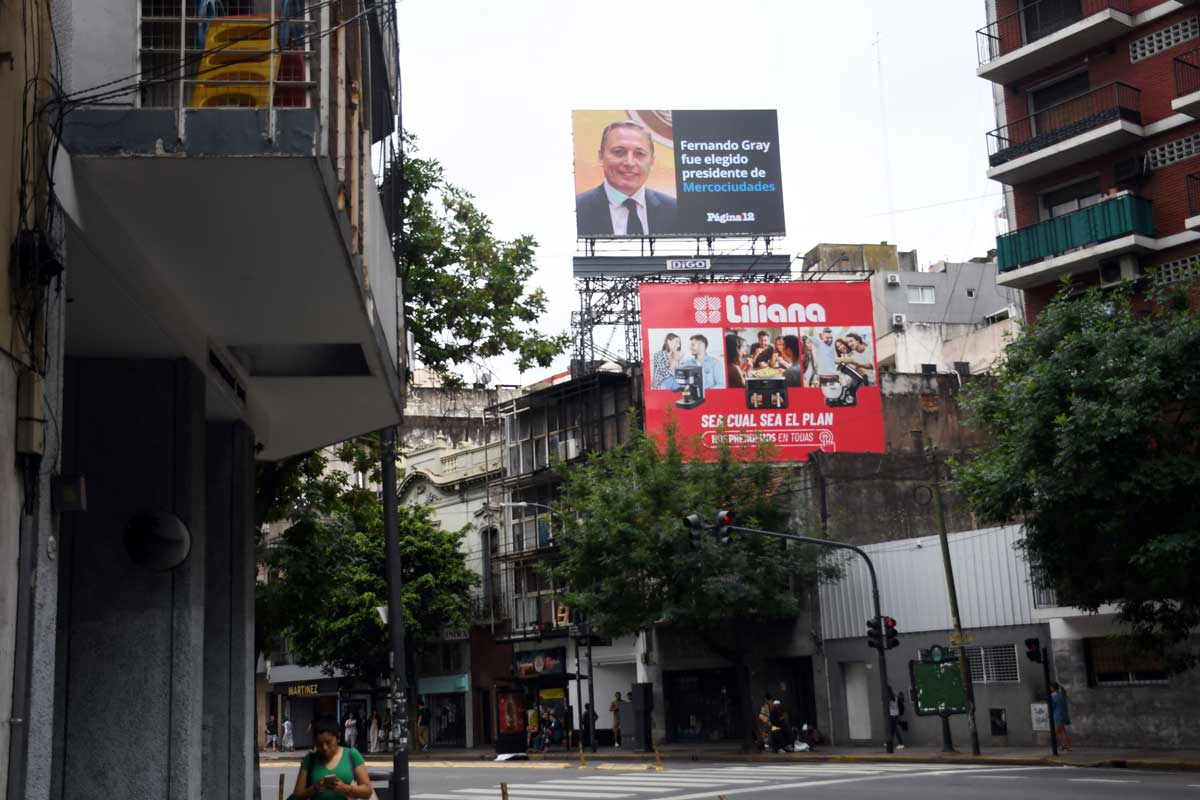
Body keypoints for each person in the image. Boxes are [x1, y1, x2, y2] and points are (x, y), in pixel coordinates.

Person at [576, 119, 678, 236]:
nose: (629, 162)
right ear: (601, 157)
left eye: (639, 154)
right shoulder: (575, 210)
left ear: (651, 161)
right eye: (619, 152)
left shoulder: (675, 211)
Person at [291, 717, 373, 800]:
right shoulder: (309, 759)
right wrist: (314, 789)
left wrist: (346, 788)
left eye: (328, 742)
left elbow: (368, 791)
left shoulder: (352, 755)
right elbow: (297, 795)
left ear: (338, 737)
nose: (324, 747)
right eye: (319, 744)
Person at [1050, 682, 1072, 752]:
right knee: (1061, 731)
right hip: (1063, 714)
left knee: (1059, 731)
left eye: (1050, 687)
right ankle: (1064, 745)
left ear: (1052, 688)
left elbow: (1052, 706)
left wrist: (1049, 714)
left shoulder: (1053, 696)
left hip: (1057, 715)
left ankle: (1067, 746)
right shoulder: (1061, 694)